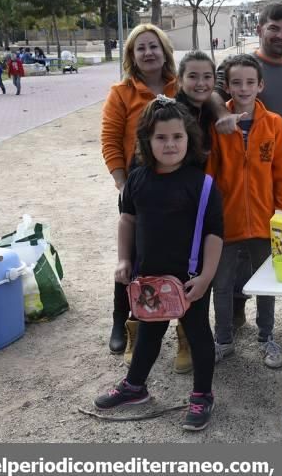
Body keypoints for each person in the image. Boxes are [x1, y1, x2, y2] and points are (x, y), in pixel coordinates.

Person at [93, 97, 224, 431]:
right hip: (148, 279)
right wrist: (124, 260)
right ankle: (135, 387)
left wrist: (207, 276)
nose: (170, 144)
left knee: (198, 336)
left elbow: (214, 236)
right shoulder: (137, 179)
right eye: (161, 138)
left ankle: (202, 395)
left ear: (189, 139)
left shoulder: (203, 185)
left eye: (177, 137)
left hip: (190, 281)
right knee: (148, 332)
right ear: (147, 142)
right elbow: (127, 221)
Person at [213, 2, 282, 340]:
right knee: (239, 249)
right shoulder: (236, 68)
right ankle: (235, 311)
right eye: (273, 27)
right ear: (259, 28)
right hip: (243, 176)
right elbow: (215, 105)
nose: (281, 35)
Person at [100, 24, 183, 366]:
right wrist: (124, 185)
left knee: (175, 253)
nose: (148, 53)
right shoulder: (121, 93)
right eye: (140, 48)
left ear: (164, 52)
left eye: (154, 46)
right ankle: (123, 320)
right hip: (137, 181)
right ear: (132, 57)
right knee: (132, 254)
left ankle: (182, 324)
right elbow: (109, 140)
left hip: (177, 180)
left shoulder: (179, 87)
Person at [206, 54, 282, 368]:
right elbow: (210, 175)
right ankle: (223, 339)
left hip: (265, 222)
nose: (243, 88)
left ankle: (266, 336)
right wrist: (209, 218)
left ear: (260, 85)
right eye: (236, 83)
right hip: (225, 223)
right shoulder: (218, 126)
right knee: (222, 283)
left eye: (249, 82)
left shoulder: (275, 124)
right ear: (227, 87)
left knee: (266, 283)